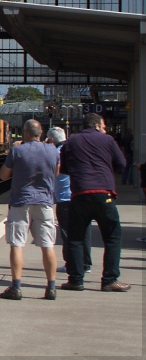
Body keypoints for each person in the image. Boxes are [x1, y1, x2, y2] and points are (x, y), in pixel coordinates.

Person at [60, 113, 130, 292]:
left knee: (75, 238)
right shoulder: (107, 140)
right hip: (104, 194)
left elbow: (65, 168)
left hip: (79, 194)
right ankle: (109, 280)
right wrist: (106, 171)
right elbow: (122, 163)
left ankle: (75, 280)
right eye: (104, 126)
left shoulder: (70, 142)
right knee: (113, 237)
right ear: (98, 125)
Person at [0, 119, 60, 301]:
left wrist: (13, 155)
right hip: (45, 202)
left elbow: (3, 176)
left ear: (25, 133)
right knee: (47, 245)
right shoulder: (52, 150)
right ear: (40, 133)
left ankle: (16, 287)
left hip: (21, 202)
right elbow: (56, 172)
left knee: (17, 244)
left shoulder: (17, 150)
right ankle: (51, 288)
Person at [48, 127, 91, 274]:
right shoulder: (75, 149)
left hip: (65, 198)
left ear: (52, 140)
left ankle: (70, 263)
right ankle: (86, 263)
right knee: (84, 230)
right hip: (80, 194)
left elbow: (52, 173)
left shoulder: (57, 152)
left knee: (67, 233)